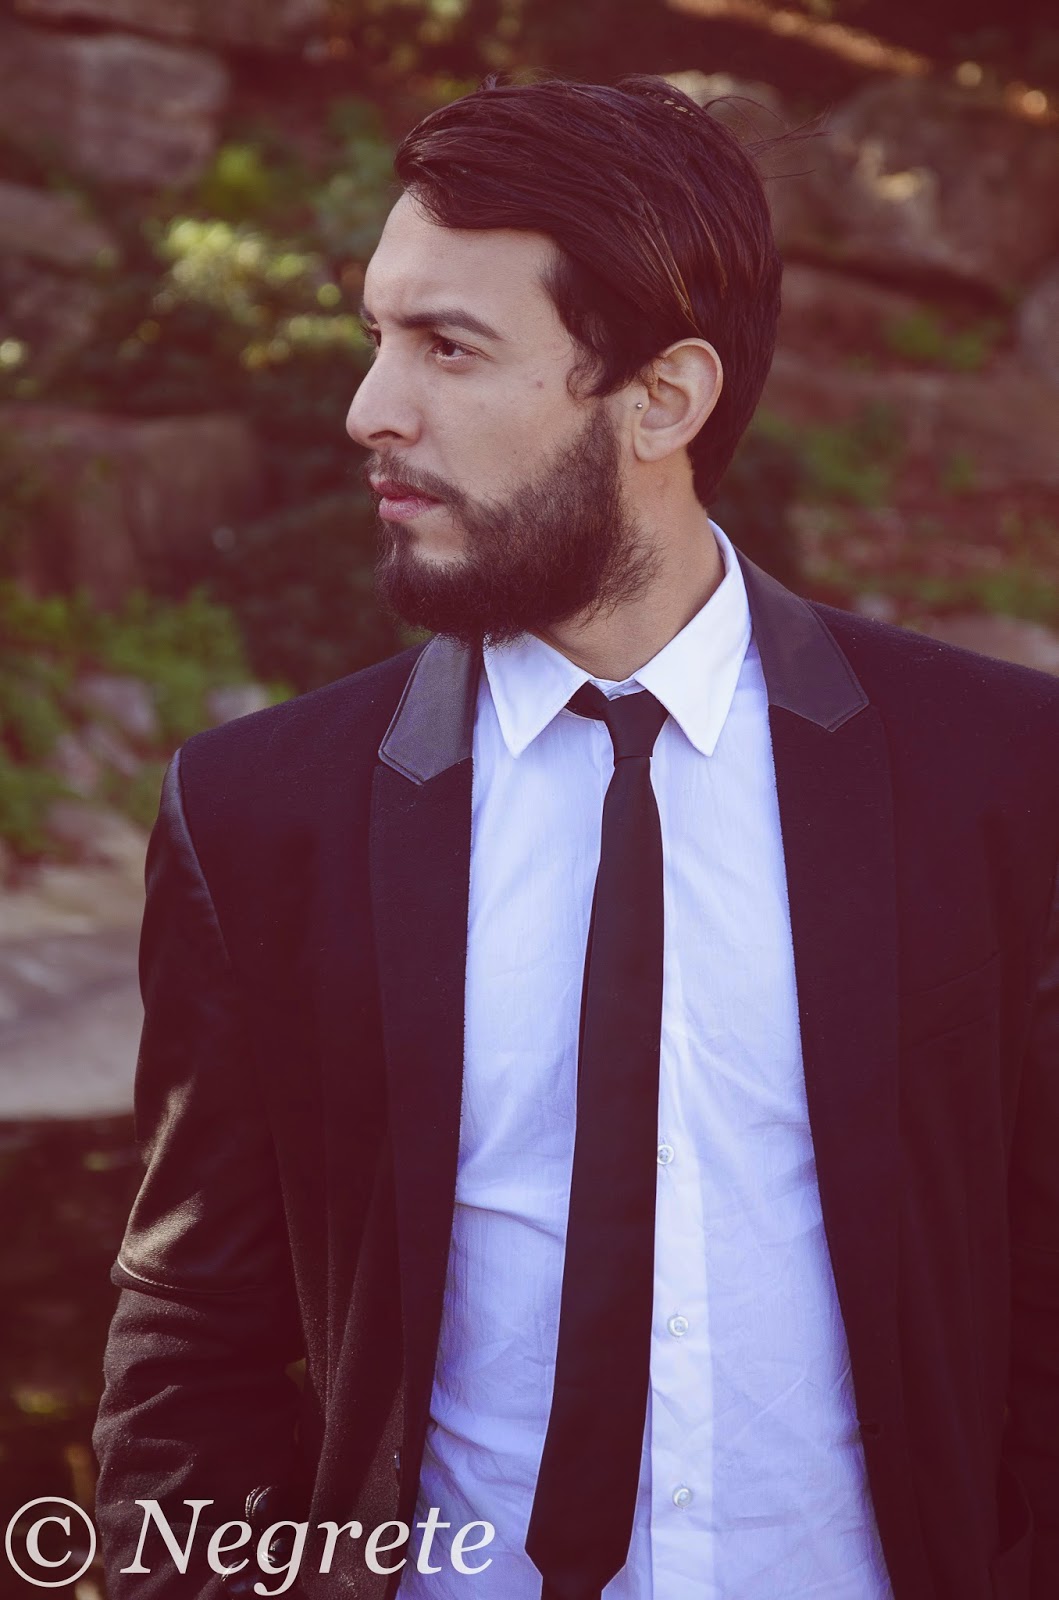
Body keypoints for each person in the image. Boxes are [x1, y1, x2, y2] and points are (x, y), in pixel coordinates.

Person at [92, 73, 1059, 1600]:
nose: (369, 409)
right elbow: (192, 1339)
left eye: (449, 346)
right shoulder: (260, 816)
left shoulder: (1005, 779)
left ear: (663, 399)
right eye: (376, 334)